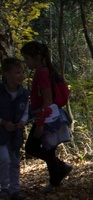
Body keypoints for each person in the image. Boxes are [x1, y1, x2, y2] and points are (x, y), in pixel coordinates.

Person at [21, 41, 72, 191]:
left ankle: (56, 178)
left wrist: (41, 123)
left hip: (47, 116)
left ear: (36, 57)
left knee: (35, 147)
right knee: (46, 149)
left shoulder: (42, 73)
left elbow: (47, 99)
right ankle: (59, 172)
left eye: (27, 59)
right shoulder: (46, 71)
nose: (26, 62)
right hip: (49, 115)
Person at [0, 58, 29, 200]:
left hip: (16, 134)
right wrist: (3, 122)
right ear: (6, 74)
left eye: (22, 72)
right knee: (4, 159)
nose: (21, 76)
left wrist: (23, 122)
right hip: (1, 135)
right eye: (17, 73)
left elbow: (26, 111)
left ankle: (15, 189)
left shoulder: (24, 93)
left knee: (15, 161)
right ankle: (4, 188)